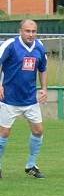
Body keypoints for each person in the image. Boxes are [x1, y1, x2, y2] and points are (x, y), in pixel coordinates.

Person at [0, 19, 48, 179]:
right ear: (20, 31)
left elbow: (43, 69)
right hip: (9, 99)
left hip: (30, 99)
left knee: (38, 130)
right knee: (4, 133)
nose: (31, 34)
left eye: (34, 31)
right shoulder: (10, 45)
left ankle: (31, 165)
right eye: (28, 31)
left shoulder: (39, 47)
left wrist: (44, 88)